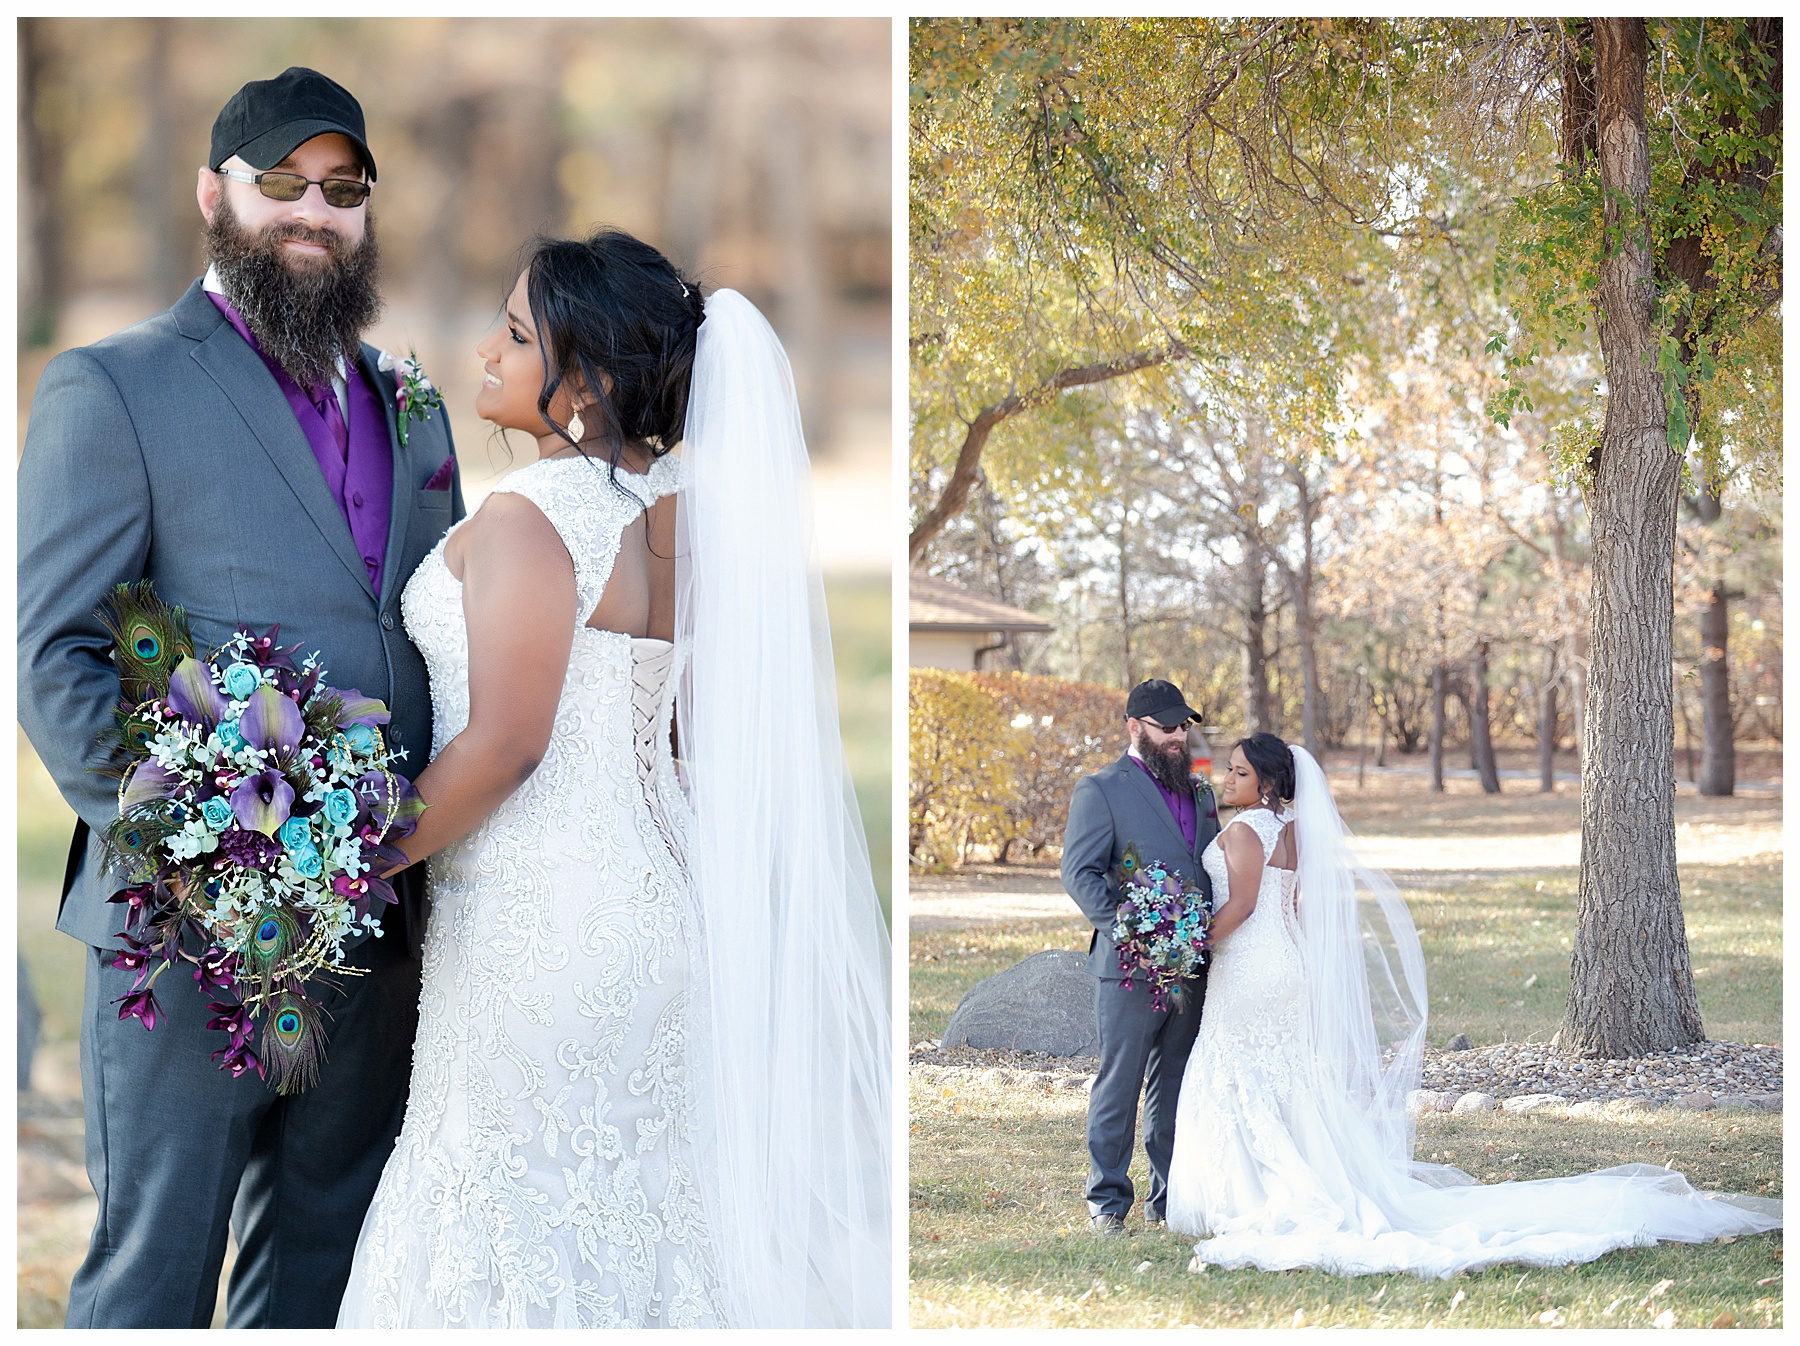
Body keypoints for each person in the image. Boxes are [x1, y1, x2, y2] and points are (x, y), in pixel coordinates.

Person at [335, 229, 891, 1327]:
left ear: (582, 384)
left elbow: (508, 744)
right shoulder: (680, 515)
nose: (485, 352)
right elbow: (685, 728)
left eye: (515, 334)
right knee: (639, 1207)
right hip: (664, 905)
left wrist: (345, 864)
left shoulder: (527, 518)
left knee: (505, 1202)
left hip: (543, 926)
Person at [17, 68, 463, 1328]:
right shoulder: (114, 388)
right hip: (185, 935)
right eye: (282, 185)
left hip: (375, 932)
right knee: (153, 1278)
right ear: (213, 194)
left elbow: (440, 634)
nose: (313, 214)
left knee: (320, 1275)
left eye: (342, 190)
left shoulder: (417, 406)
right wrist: (214, 851)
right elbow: (57, 657)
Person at [1166, 732, 1783, 1276]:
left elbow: (1243, 908)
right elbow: (1299, 906)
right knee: (1280, 1078)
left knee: (1237, 1070)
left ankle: (1247, 1192)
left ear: (1270, 782)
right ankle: (1289, 1178)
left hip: (1252, 967)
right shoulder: (1298, 832)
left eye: (1240, 771)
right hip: (1286, 965)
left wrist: (1188, 945)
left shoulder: (1245, 831)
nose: (1228, 778)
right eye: (1230, 769)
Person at [1061, 678, 1220, 1234]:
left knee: (1175, 1081)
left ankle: (1169, 1197)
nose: (1178, 736)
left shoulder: (1201, 792)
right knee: (1120, 1082)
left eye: (1184, 726)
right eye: (1166, 726)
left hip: (1191, 966)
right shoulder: (1100, 789)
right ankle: (1106, 1202)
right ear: (1135, 727)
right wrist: (1133, 932)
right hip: (1127, 969)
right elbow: (1078, 873)